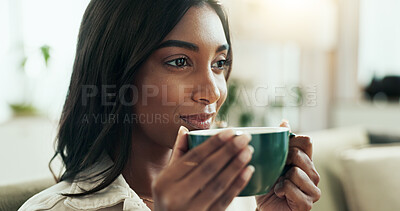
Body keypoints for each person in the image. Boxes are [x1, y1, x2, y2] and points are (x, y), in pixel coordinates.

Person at [19, 0, 321, 210]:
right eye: (179, 61)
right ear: (115, 73)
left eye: (219, 63)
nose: (212, 92)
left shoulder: (241, 197)